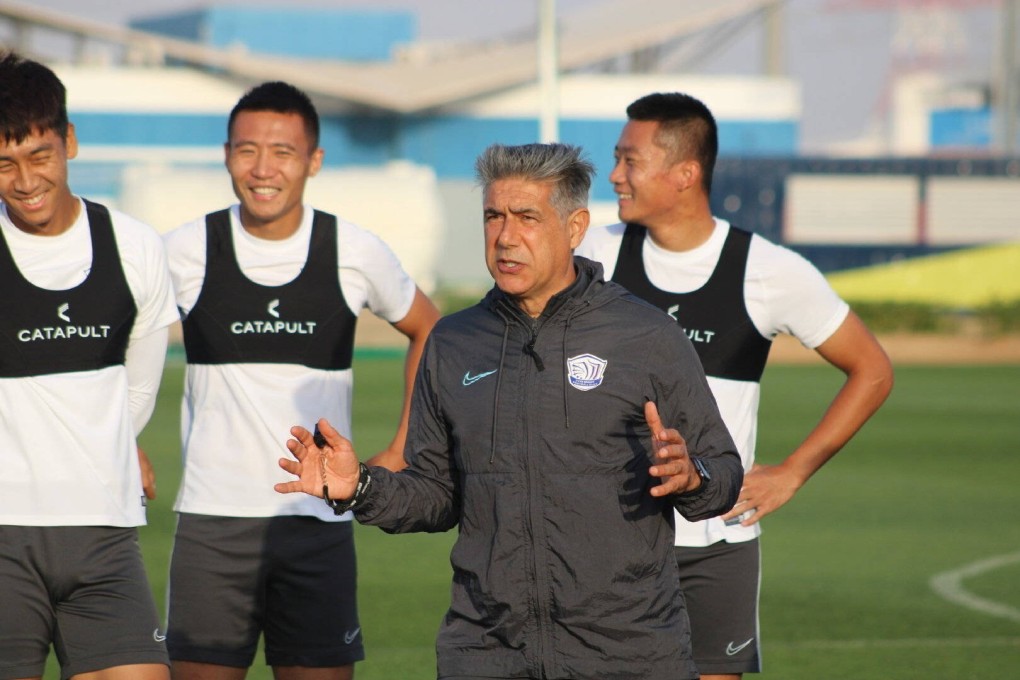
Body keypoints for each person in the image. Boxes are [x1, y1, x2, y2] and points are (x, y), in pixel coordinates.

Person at [275, 142, 744, 680]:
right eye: (493, 217)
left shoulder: (646, 336)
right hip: (486, 652)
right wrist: (361, 487)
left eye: (527, 218)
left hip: (628, 654)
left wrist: (691, 477)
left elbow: (724, 473)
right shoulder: (454, 342)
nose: (505, 237)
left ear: (575, 227)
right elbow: (437, 493)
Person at [575, 92, 895, 679]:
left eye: (629, 160)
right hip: (607, 547)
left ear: (685, 173)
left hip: (716, 548)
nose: (615, 176)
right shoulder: (592, 256)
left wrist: (794, 470)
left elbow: (872, 370)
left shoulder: (768, 270)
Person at [162, 81, 440, 680]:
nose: (263, 169)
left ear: (313, 160)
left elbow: (430, 330)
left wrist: (402, 445)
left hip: (319, 522)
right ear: (227, 154)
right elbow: (117, 340)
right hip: (213, 525)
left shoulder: (353, 250)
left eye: (283, 152)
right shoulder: (182, 251)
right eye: (247, 150)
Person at [0, 52, 178, 680]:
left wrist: (102, 447)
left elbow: (137, 391)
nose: (24, 180)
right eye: (4, 163)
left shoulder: (136, 248)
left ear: (69, 141)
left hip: (105, 532)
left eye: (39, 155)